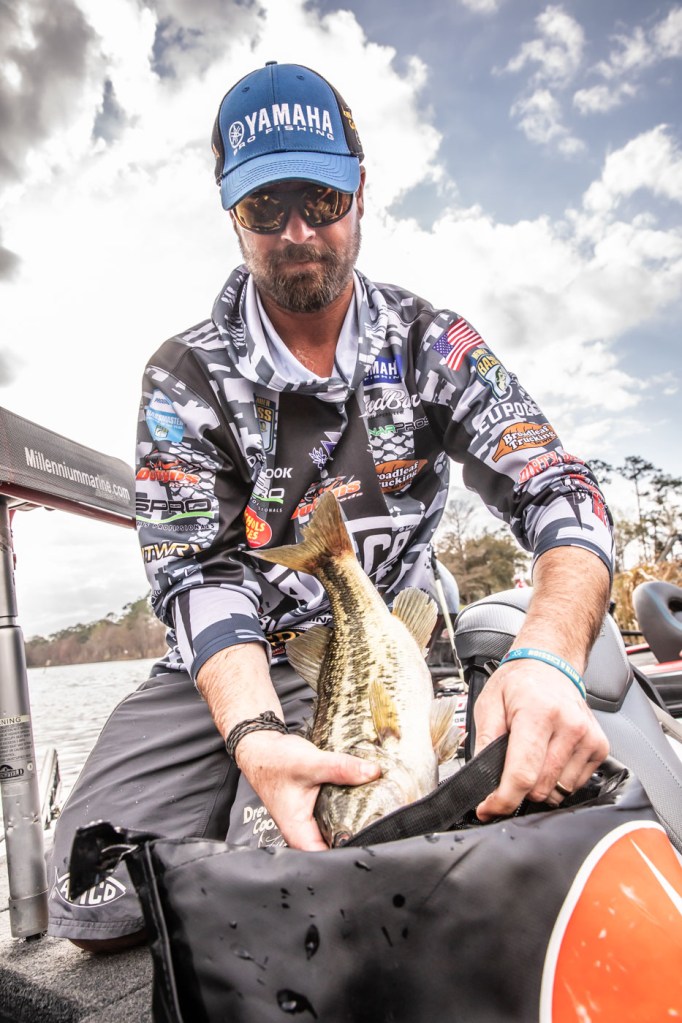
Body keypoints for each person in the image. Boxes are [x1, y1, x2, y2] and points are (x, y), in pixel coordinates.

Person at [48, 61, 613, 951]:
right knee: (93, 898)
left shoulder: (432, 341)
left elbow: (560, 489)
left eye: (321, 196)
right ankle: (235, 782)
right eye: (264, 206)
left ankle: (245, 814)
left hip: (387, 654)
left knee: (326, 883)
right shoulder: (183, 376)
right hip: (230, 660)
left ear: (360, 187)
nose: (298, 230)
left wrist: (548, 655)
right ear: (232, 214)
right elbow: (195, 573)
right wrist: (251, 731)